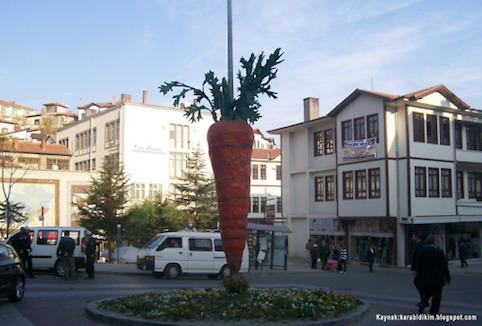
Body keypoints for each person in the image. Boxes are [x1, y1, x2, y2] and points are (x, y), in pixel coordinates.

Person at [415, 234, 451, 315]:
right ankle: (433, 312)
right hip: (437, 279)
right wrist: (447, 278)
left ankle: (421, 308)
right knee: (437, 297)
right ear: (434, 242)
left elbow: (418, 266)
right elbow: (444, 266)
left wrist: (418, 276)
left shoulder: (422, 251)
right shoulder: (439, 251)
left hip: (425, 279)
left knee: (426, 295)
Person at [411, 233, 424, 308]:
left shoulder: (419, 245)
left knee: (418, 283)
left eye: (413, 236)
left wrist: (416, 269)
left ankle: (424, 300)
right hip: (418, 269)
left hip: (419, 269)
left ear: (416, 236)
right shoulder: (418, 245)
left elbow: (418, 258)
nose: (412, 238)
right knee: (418, 283)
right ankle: (423, 300)